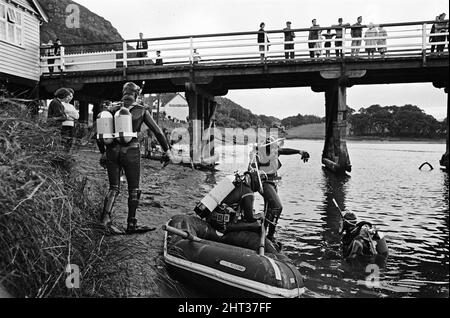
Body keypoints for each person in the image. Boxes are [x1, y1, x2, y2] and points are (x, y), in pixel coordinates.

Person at [97, 82, 171, 234]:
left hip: (112, 150)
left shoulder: (111, 109)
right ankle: (131, 224)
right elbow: (157, 132)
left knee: (114, 188)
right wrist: (167, 150)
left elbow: (100, 134)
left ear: (123, 93)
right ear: (136, 95)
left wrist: (103, 152)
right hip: (131, 150)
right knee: (134, 189)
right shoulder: (141, 110)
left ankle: (105, 221)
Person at [249, 137, 310, 243]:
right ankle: (270, 235)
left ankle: (264, 231)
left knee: (269, 208)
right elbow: (251, 168)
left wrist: (300, 152)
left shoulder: (275, 151)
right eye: (272, 148)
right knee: (277, 207)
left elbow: (285, 150)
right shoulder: (259, 155)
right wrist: (256, 168)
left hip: (273, 182)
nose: (275, 150)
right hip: (264, 183)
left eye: (275, 147)